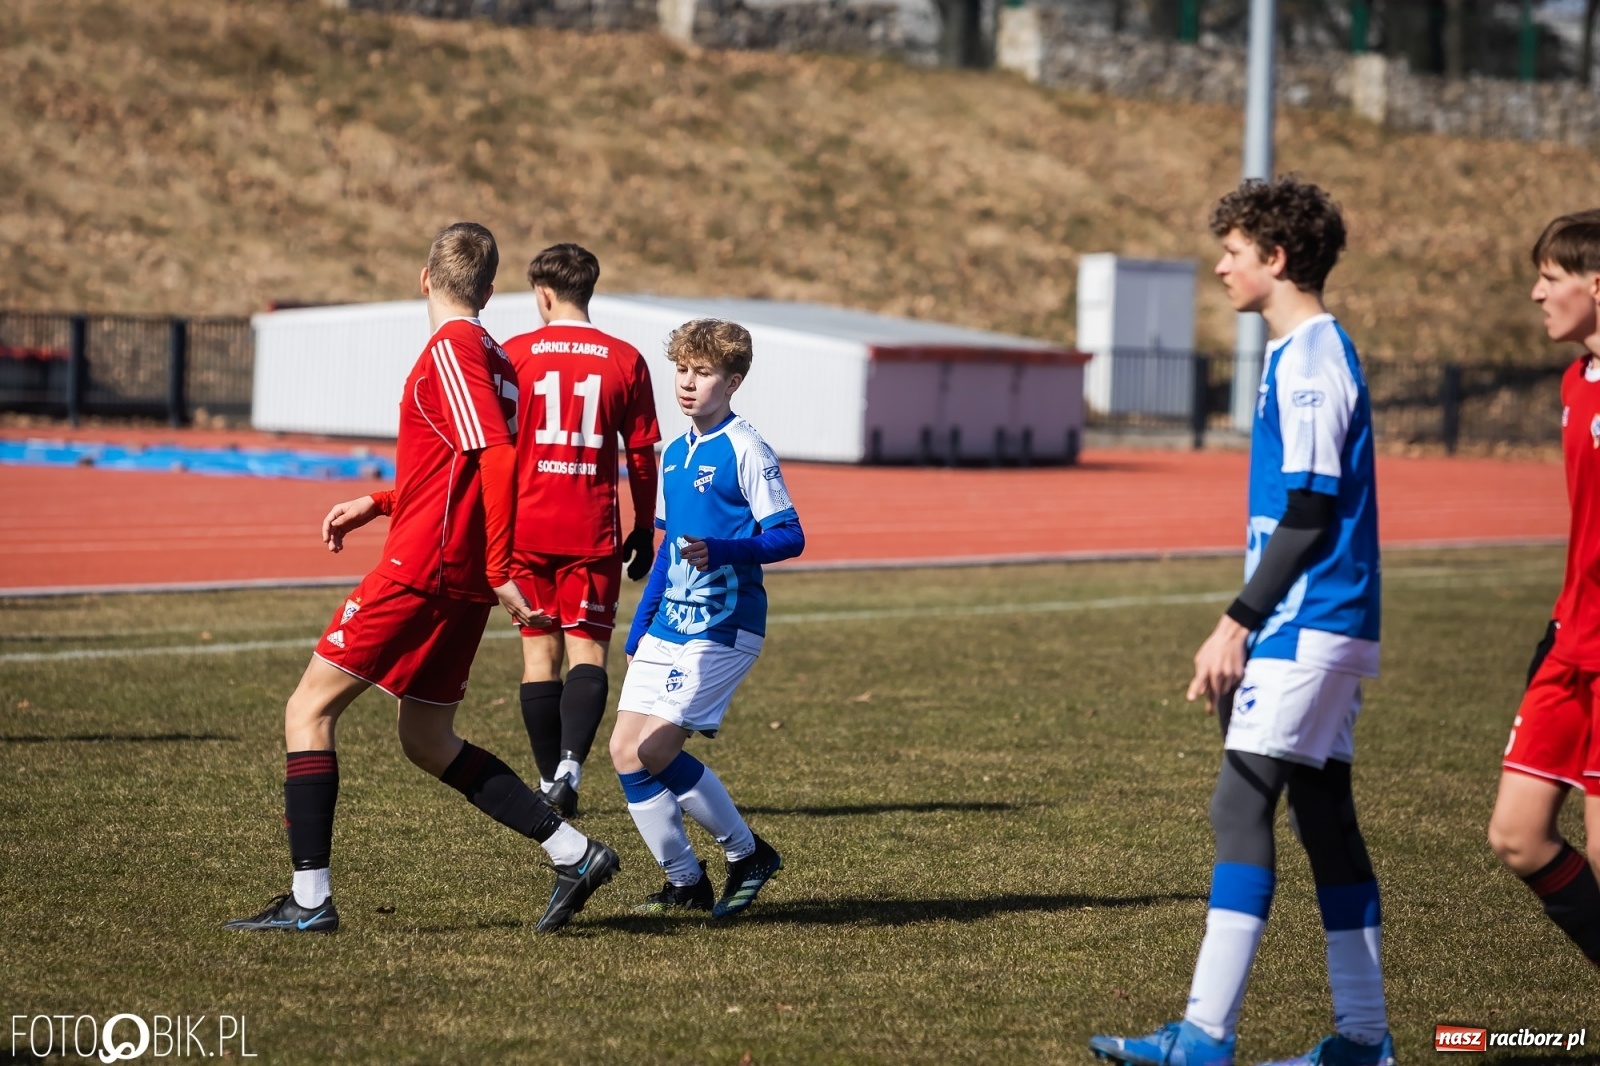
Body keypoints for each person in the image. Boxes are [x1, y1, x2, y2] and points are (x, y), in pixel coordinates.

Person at [224, 222, 618, 936]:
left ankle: (310, 901)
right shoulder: (495, 355)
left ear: (424, 278)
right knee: (427, 738)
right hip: (453, 572)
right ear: (490, 292)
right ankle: (574, 851)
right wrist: (380, 501)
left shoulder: (452, 347)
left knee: (308, 710)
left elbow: (496, 458)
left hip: (425, 570)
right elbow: (458, 468)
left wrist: (499, 567)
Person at [1090, 179, 1393, 1066]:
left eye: (1233, 251)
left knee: (1239, 803)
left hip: (1310, 620)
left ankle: (1204, 1036)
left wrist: (1236, 623)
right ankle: (1364, 1040)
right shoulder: (1300, 352)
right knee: (1324, 818)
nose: (1221, 266)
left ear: (1277, 257)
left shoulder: (1310, 358)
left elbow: (1310, 509)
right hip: (1317, 621)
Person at [608, 318, 803, 916]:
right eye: (682, 370)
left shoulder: (746, 448)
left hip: (724, 625)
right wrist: (641, 626)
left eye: (704, 373)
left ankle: (748, 854)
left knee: (656, 749)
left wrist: (723, 550)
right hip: (669, 623)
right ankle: (685, 883)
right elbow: (669, 549)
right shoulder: (674, 453)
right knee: (624, 750)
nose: (688, 383)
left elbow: (789, 536)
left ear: (733, 382)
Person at [502, 243, 661, 820]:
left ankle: (549, 781)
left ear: (543, 294)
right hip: (590, 531)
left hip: (524, 528)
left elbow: (493, 448)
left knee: (538, 655)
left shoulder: (513, 354)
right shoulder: (625, 358)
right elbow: (641, 454)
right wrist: (643, 525)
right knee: (588, 651)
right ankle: (570, 768)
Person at [1486, 209, 1600, 970]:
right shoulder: (1574, 381)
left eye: (1550, 278)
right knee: (1517, 836)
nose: (1536, 293)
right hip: (1570, 641)